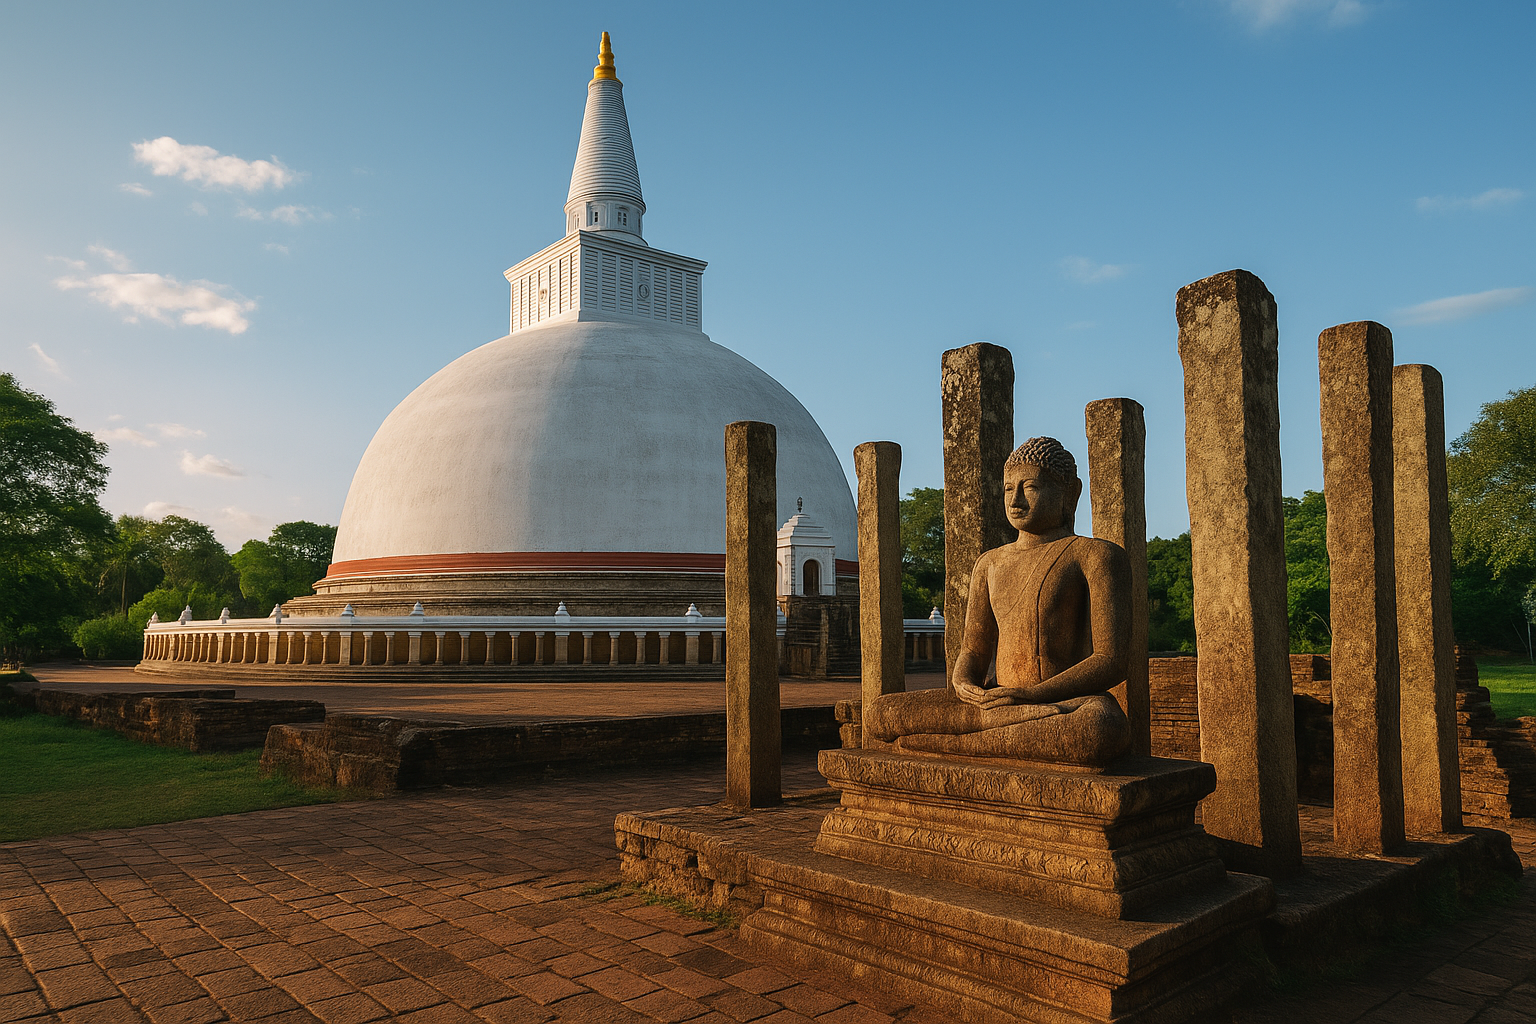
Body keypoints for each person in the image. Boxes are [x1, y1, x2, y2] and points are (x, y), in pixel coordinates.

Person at [864, 436, 1132, 767]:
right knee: (881, 712)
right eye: (1008, 489)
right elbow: (975, 651)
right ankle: (990, 731)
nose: (1016, 499)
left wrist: (1032, 695)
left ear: (1070, 492)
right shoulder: (989, 563)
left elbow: (1110, 660)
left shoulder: (1094, 555)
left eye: (1030, 487)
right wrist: (964, 684)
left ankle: (947, 741)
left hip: (1061, 703)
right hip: (995, 705)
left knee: (1098, 728)